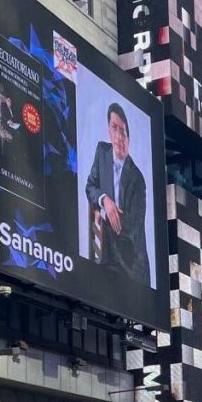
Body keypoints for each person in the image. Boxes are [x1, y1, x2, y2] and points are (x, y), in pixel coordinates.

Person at [85, 103, 150, 283]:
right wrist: (105, 200)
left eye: (123, 131)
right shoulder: (102, 152)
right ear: (108, 130)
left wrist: (105, 213)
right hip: (106, 258)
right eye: (114, 128)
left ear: (129, 138)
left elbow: (133, 227)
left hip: (131, 269)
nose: (119, 136)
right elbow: (90, 186)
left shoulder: (137, 179)